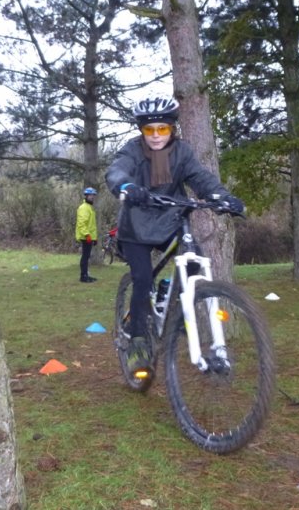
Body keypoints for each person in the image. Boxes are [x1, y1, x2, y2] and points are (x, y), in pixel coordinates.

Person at [104, 96, 244, 378]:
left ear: (172, 129)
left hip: (172, 219)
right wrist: (126, 185)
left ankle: (178, 309)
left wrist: (222, 197)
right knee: (142, 279)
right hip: (136, 225)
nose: (156, 135)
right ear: (142, 131)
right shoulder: (132, 150)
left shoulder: (182, 152)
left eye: (162, 129)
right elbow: (116, 170)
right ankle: (138, 339)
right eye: (149, 130)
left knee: (195, 264)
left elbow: (201, 178)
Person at [75, 187, 98, 283]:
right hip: (85, 237)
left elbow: (91, 225)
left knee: (87, 256)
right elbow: (82, 223)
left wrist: (94, 238)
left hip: (89, 236)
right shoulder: (84, 208)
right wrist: (87, 235)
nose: (92, 197)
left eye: (93, 195)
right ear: (86, 196)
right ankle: (83, 276)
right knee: (85, 257)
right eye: (90, 195)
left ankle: (86, 274)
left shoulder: (90, 207)